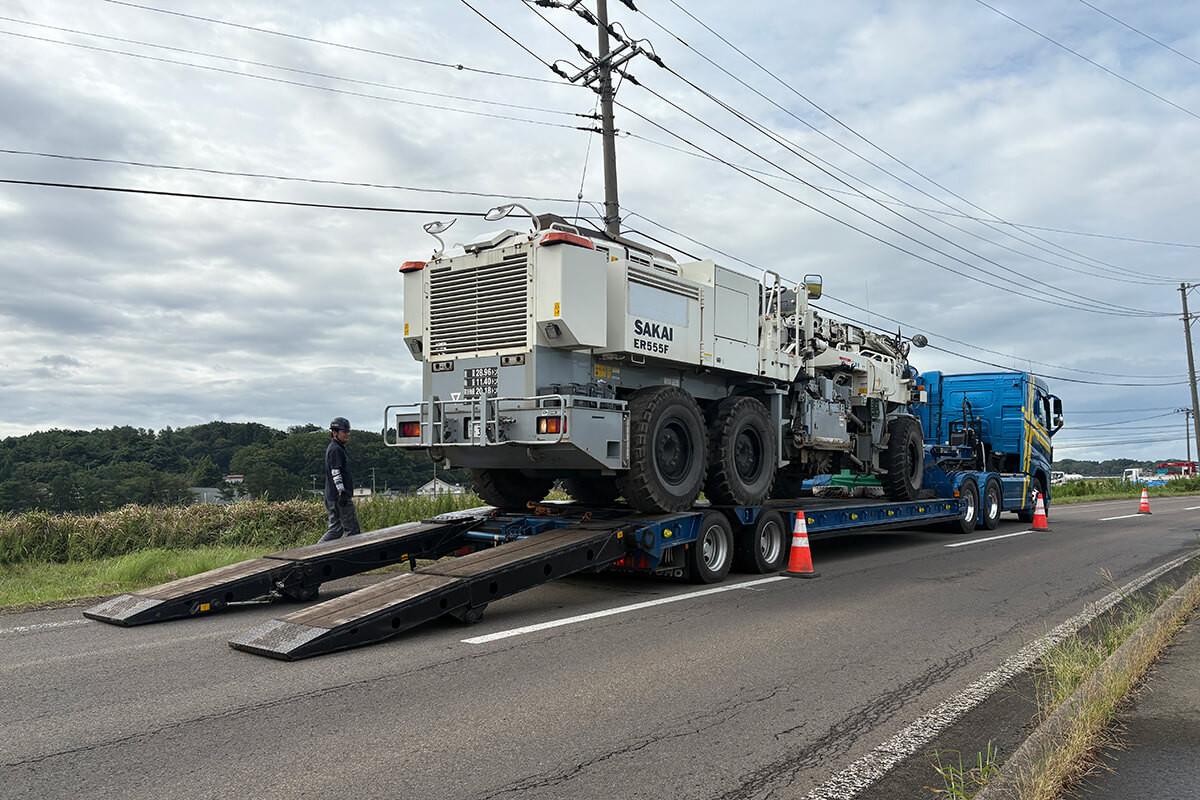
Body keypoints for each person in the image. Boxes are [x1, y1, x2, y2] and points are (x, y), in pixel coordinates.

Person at [319, 417, 362, 542]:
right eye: (344, 432)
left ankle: (315, 551)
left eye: (348, 431)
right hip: (339, 497)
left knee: (335, 530)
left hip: (331, 496)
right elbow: (335, 472)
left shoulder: (334, 448)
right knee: (352, 530)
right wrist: (341, 493)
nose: (347, 434)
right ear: (334, 433)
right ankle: (351, 556)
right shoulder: (336, 450)